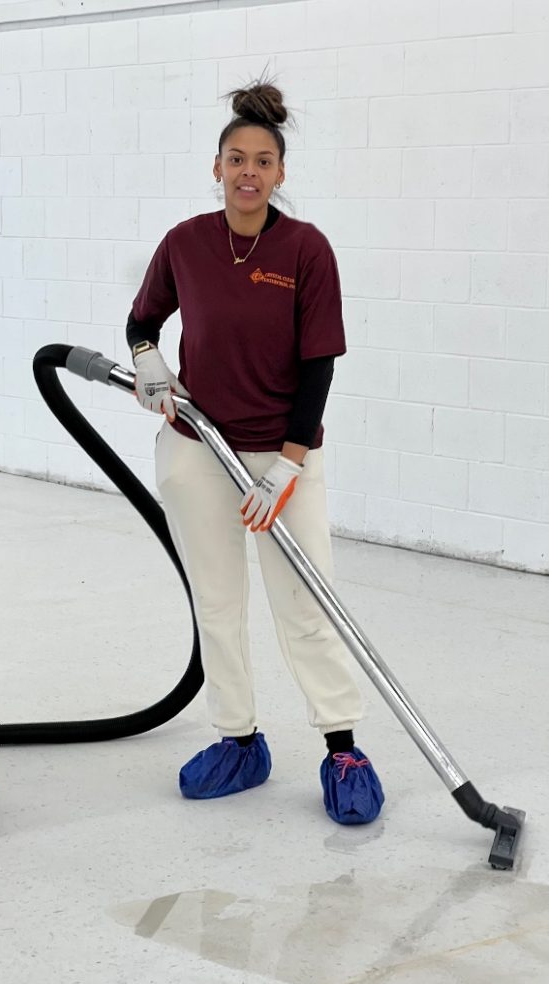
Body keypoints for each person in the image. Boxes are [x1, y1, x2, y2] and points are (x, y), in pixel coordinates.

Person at [126, 79, 384, 825]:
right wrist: (148, 361)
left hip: (283, 454)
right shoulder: (185, 243)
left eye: (262, 160)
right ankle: (239, 741)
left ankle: (342, 747)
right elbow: (142, 321)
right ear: (216, 167)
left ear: (279, 174)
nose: (248, 171)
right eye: (235, 158)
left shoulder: (305, 249)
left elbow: (319, 365)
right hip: (199, 447)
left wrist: (291, 465)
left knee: (306, 603)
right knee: (219, 602)